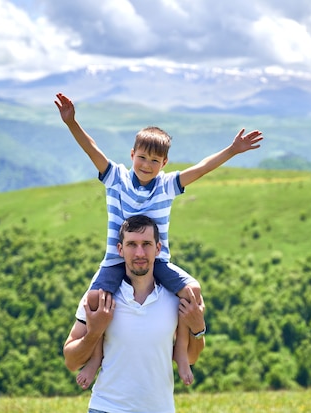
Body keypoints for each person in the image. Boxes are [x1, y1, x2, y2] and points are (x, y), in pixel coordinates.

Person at [55, 92, 262, 387]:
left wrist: (232, 150)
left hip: (157, 261)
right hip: (116, 261)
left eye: (154, 160)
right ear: (131, 155)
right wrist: (71, 123)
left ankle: (180, 355)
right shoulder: (116, 178)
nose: (147, 164)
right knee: (95, 302)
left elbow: (201, 168)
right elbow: (92, 148)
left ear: (164, 162)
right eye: (141, 157)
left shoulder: (166, 185)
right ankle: (95, 359)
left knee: (192, 291)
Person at [63, 215, 206, 413]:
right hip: (106, 407)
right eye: (132, 244)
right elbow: (71, 361)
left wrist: (198, 329)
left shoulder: (176, 297)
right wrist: (94, 333)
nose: (139, 252)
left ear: (158, 248)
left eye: (146, 244)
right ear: (120, 249)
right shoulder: (102, 296)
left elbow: (191, 357)